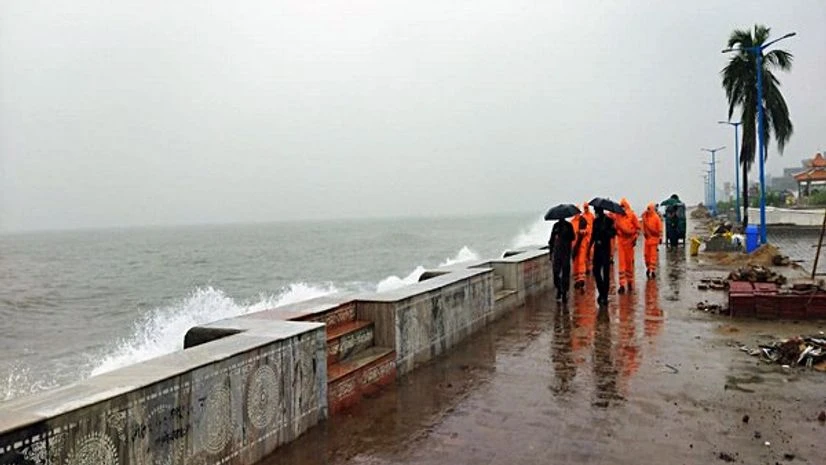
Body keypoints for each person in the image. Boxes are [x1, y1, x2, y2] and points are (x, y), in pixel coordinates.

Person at [589, 207, 616, 306]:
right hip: (597, 249)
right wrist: (589, 247)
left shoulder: (609, 221)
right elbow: (592, 235)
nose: (595, 212)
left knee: (606, 273)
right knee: (596, 271)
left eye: (596, 211)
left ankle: (604, 296)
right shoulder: (595, 221)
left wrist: (605, 232)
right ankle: (601, 291)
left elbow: (613, 233)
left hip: (605, 249)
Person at [614, 198, 640, 294]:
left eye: (623, 206)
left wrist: (635, 238)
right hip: (621, 242)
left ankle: (630, 281)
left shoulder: (632, 215)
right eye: (621, 207)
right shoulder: (617, 216)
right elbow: (615, 228)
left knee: (629, 263)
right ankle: (621, 284)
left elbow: (638, 228)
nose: (622, 208)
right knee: (621, 263)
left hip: (629, 242)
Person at [549, 217, 575, 302]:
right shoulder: (555, 226)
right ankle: (559, 288)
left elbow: (573, 237)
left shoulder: (569, 225)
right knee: (556, 272)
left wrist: (565, 235)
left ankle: (564, 292)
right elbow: (551, 240)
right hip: (557, 253)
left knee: (565, 273)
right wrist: (550, 253)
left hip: (566, 253)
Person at [571, 203, 593, 289]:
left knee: (581, 261)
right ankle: (577, 279)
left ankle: (582, 279)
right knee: (575, 262)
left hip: (583, 243)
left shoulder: (583, 220)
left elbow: (588, 228)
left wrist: (583, 232)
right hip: (574, 245)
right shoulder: (571, 222)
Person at [641, 203, 663, 279]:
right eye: (647, 209)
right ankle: (648, 267)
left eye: (649, 209)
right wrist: (644, 233)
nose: (648, 210)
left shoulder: (656, 218)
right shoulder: (645, 217)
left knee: (653, 256)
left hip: (654, 240)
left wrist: (660, 237)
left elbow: (660, 229)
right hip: (647, 240)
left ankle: (652, 269)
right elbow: (643, 226)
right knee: (646, 255)